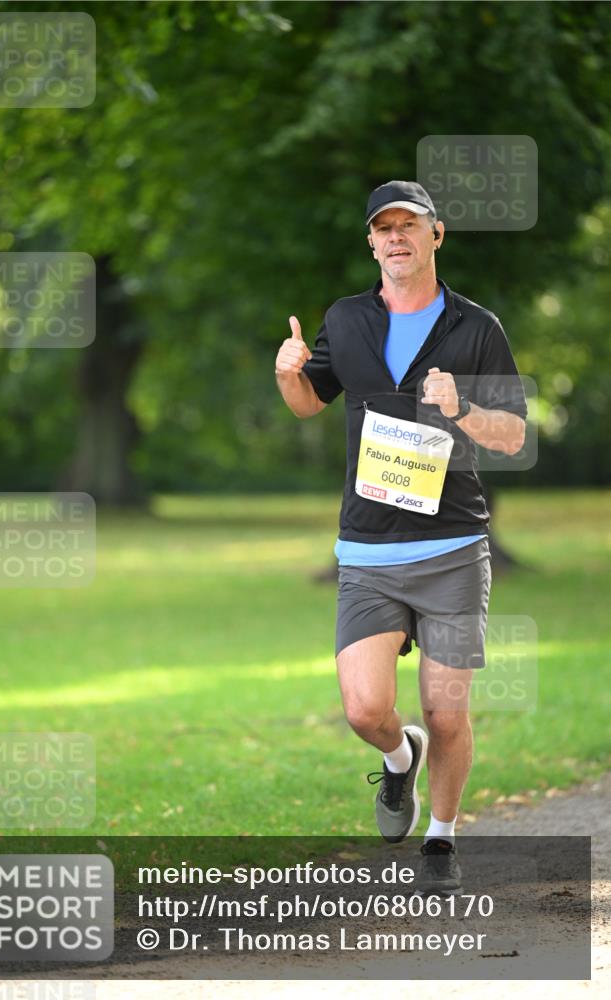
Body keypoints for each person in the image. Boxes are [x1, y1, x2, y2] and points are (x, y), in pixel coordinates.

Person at [275, 180, 527, 894]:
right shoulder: (346, 319)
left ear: (434, 235)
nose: (395, 237)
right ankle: (395, 762)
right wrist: (286, 375)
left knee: (446, 714)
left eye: (408, 226)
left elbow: (511, 435)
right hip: (366, 551)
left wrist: (463, 407)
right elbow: (305, 403)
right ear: (370, 242)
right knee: (364, 709)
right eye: (382, 228)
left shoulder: (477, 326)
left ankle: (441, 843)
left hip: (450, 547)